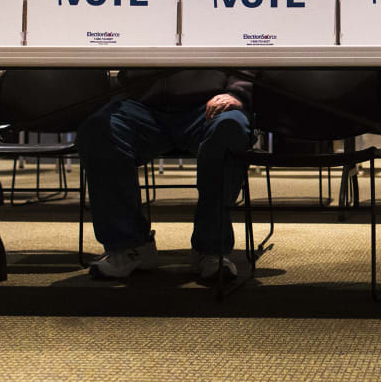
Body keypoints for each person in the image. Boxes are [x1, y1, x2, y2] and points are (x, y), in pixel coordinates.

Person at [76, 70, 253, 280]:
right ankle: (128, 246)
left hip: (208, 103)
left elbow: (249, 52)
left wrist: (237, 92)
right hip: (141, 103)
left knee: (230, 128)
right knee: (98, 130)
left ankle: (210, 249)